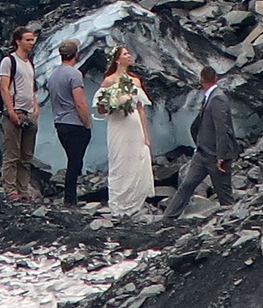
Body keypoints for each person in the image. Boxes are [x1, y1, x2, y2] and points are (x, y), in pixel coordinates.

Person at [163, 65, 239, 219]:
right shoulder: (210, 97)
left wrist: (221, 156)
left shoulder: (218, 98)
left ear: (201, 79)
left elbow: (222, 129)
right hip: (202, 153)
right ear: (215, 78)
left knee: (224, 194)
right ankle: (168, 217)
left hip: (216, 156)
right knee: (187, 184)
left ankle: (231, 223)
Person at [94, 44, 154, 217]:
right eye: (125, 54)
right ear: (117, 59)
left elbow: (141, 108)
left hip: (134, 125)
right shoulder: (109, 81)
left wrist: (145, 135)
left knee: (136, 159)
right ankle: (118, 205)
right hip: (118, 124)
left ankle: (135, 202)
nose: (129, 56)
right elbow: (100, 109)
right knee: (119, 160)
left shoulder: (135, 81)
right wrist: (114, 103)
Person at [49, 39, 92, 206]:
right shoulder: (74, 75)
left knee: (72, 160)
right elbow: (79, 102)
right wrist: (87, 123)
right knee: (75, 163)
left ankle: (70, 198)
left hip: (60, 123)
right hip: (74, 123)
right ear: (76, 54)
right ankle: (70, 200)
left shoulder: (54, 75)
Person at [0, 26, 39, 202]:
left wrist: (35, 107)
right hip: (15, 112)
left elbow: (31, 88)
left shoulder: (29, 63)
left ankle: (23, 190)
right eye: (28, 40)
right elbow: (4, 87)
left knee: (26, 156)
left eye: (32, 40)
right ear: (18, 41)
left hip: (29, 113)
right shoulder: (9, 61)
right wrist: (10, 110)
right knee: (12, 154)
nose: (32, 43)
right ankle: (11, 190)